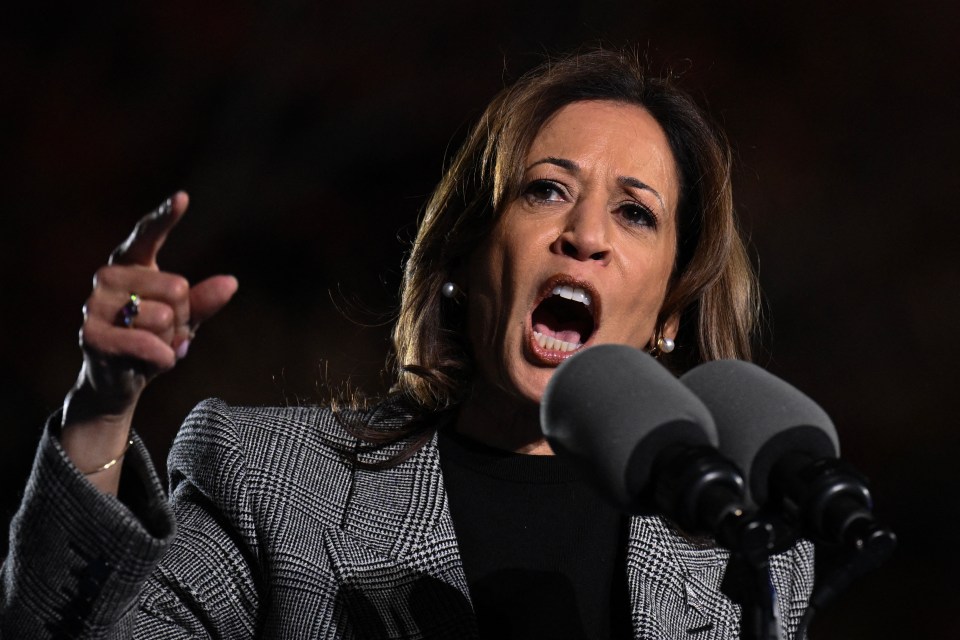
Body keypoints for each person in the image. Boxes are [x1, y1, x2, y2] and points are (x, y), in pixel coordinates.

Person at [1, 49, 813, 639]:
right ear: (466, 257)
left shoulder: (746, 553)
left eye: (636, 212)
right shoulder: (271, 486)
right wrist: (102, 411)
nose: (585, 235)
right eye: (546, 190)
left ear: (671, 305)